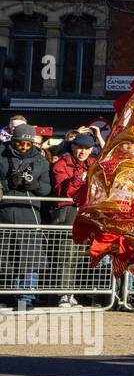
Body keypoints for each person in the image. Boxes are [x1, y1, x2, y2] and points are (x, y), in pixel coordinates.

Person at [0, 124, 52, 310]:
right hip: (5, 213)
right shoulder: (2, 155)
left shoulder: (41, 160)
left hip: (30, 214)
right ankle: (8, 294)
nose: (23, 147)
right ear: (13, 141)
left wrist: (33, 186)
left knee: (29, 258)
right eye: (20, 144)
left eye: (27, 144)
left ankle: (26, 297)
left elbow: (47, 188)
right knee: (7, 256)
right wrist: (7, 183)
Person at [49, 133, 97, 307]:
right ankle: (64, 293)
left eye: (86, 148)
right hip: (67, 213)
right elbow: (65, 192)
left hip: (88, 214)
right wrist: (80, 178)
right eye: (80, 148)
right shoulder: (61, 163)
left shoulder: (93, 163)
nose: (82, 152)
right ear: (73, 147)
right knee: (66, 254)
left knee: (83, 256)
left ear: (91, 149)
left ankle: (78, 294)